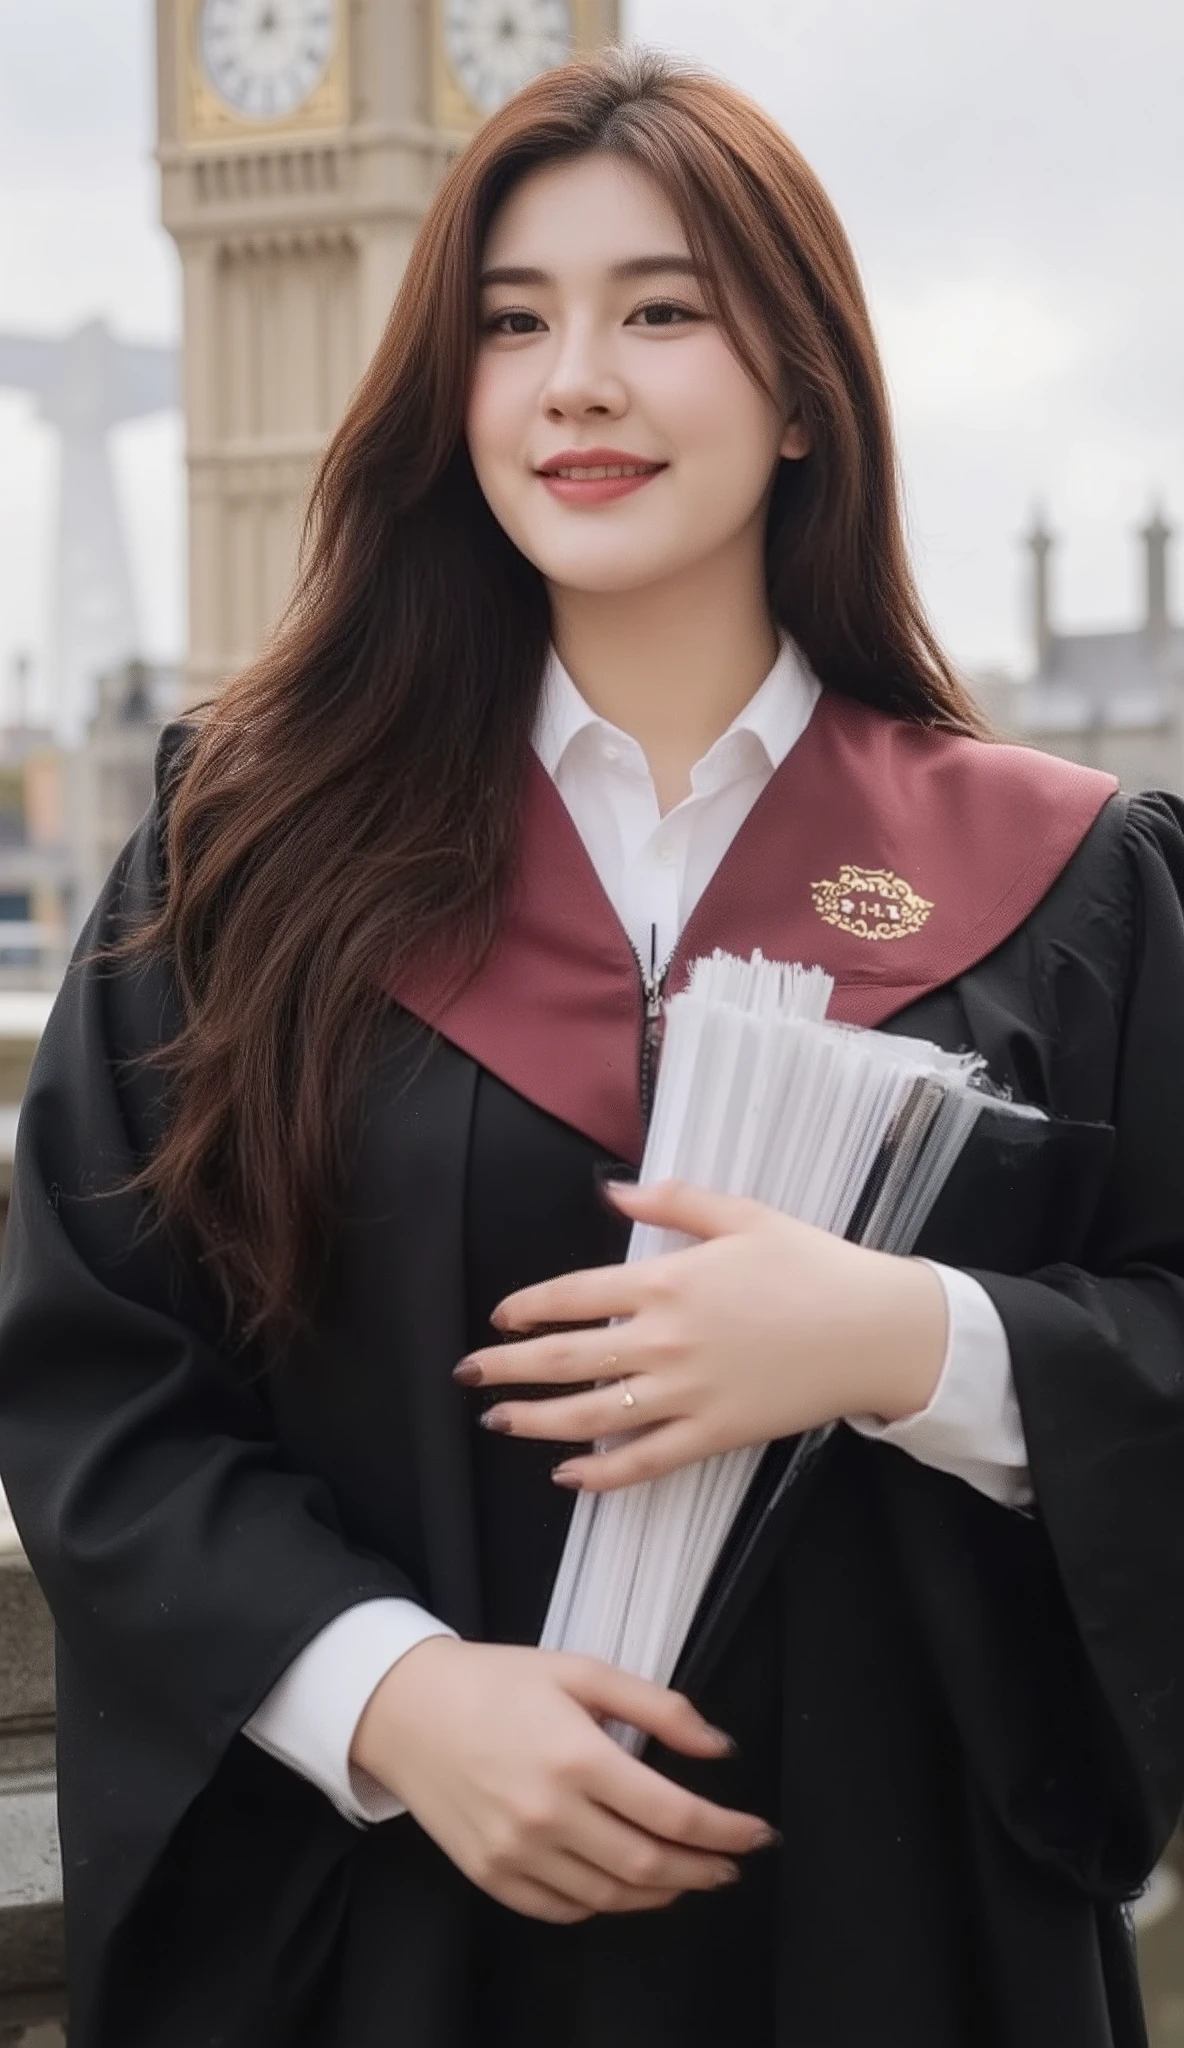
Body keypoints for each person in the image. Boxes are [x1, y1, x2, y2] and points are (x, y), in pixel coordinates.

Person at [0, 43, 1181, 2048]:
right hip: (387, 1935)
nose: (576, 384)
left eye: (662, 312)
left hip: (897, 1937)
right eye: (511, 323)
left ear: (805, 387)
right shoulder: (242, 855)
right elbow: (102, 1386)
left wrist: (908, 1345)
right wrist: (388, 1691)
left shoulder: (1061, 884)